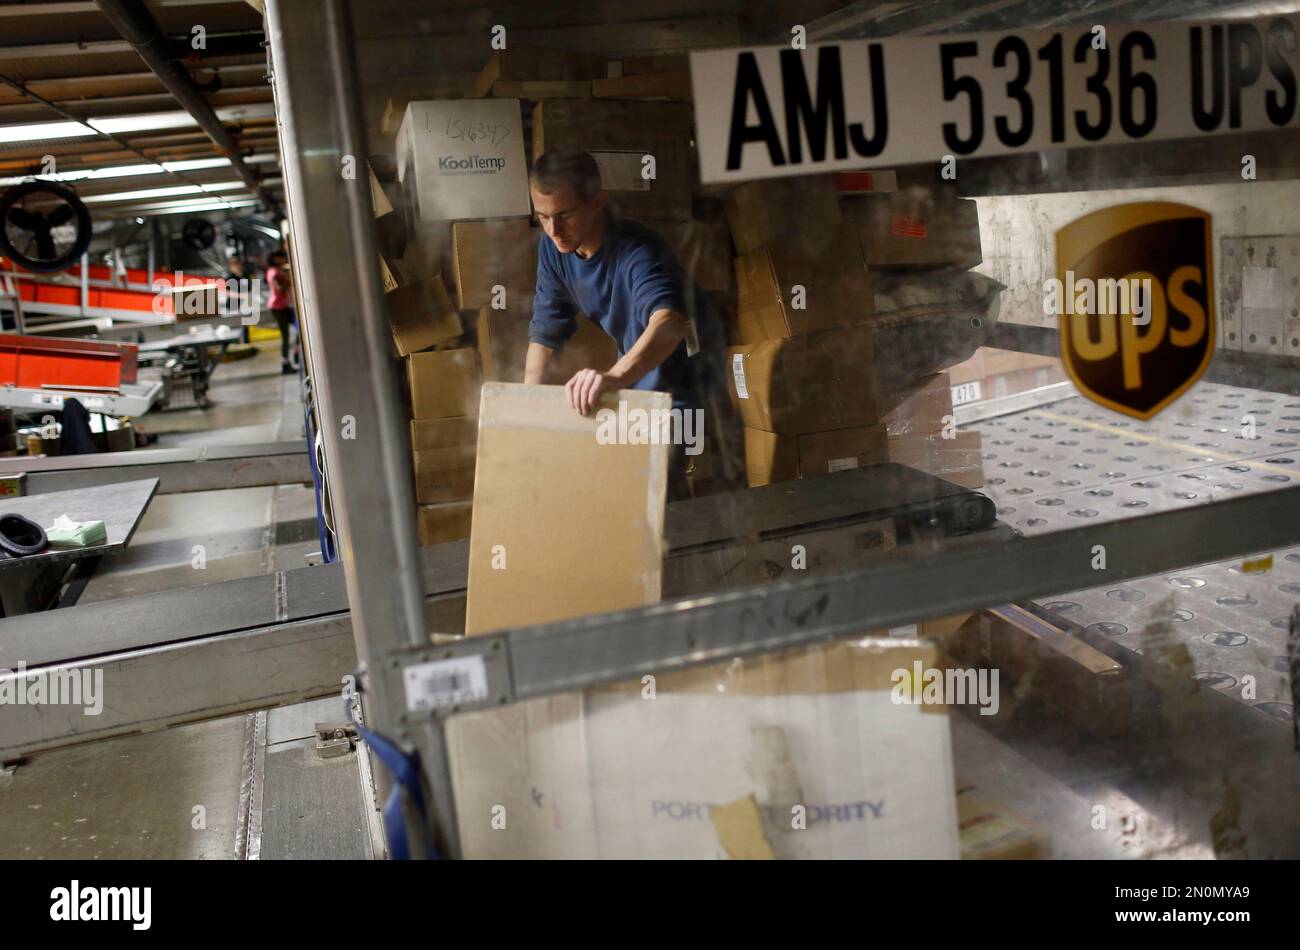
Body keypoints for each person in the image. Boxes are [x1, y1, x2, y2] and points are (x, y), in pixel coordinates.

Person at [524, 148, 742, 500]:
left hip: (689, 359)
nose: (554, 230)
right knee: (627, 471)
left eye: (564, 215)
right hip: (639, 351)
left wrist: (612, 377)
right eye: (543, 217)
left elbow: (669, 324)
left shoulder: (637, 250)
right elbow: (545, 330)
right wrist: (527, 405)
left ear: (597, 202)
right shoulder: (554, 249)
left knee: (657, 471)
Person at [265, 250, 297, 374]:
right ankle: (285, 363)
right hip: (278, 306)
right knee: (285, 335)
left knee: (297, 329)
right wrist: (289, 283)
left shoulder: (274, 270)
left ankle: (295, 352)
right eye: (281, 257)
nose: (283, 259)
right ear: (275, 258)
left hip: (282, 305)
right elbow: (279, 288)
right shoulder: (274, 272)